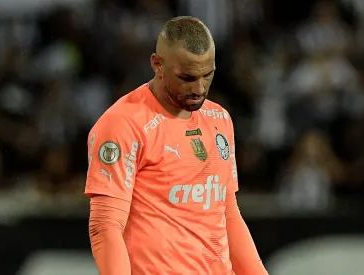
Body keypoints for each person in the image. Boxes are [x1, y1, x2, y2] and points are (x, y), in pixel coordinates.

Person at [86, 16, 268, 275]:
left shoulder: (219, 120)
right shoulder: (123, 124)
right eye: (187, 77)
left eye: (208, 75)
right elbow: (105, 225)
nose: (199, 88)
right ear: (157, 64)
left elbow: (227, 213)